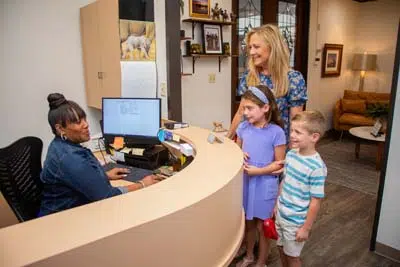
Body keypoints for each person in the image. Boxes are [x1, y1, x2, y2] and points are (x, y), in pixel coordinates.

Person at [39, 93, 159, 216]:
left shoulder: (60, 145)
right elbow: (108, 197)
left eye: (84, 119)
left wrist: (103, 175)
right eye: (77, 122)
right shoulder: (70, 158)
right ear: (60, 129)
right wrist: (143, 184)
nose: (86, 124)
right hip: (61, 219)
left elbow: (78, 179)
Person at [227, 24, 307, 143]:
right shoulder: (249, 76)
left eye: (256, 47)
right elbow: (240, 113)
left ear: (272, 47)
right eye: (250, 47)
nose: (251, 52)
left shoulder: (294, 79)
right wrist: (227, 140)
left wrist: (293, 153)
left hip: (276, 148)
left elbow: (295, 121)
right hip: (248, 145)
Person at [235, 85, 286, 267]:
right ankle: (249, 255)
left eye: (249, 108)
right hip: (247, 183)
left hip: (264, 185)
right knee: (248, 223)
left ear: (265, 108)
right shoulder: (243, 128)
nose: (245, 113)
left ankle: (261, 262)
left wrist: (258, 171)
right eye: (244, 108)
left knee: (262, 226)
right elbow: (237, 151)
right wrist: (239, 155)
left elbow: (279, 164)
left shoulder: (276, 132)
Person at [275, 111, 327, 267]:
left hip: (296, 221)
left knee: (293, 257)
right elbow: (285, 181)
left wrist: (305, 228)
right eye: (291, 130)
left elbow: (315, 202)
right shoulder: (291, 154)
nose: (292, 135)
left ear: (314, 137)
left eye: (298, 132)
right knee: (281, 248)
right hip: (282, 213)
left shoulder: (317, 167)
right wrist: (276, 204)